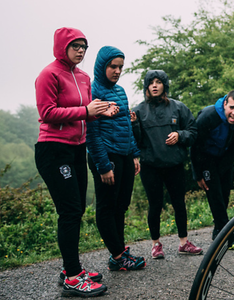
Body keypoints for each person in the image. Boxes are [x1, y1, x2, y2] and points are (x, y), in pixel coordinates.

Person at [35, 27, 114, 297]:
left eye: (84, 46)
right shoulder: (49, 74)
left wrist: (102, 111)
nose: (81, 50)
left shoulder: (82, 77)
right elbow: (47, 113)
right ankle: (71, 277)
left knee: (78, 208)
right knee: (69, 211)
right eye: (76, 46)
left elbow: (87, 112)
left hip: (77, 149)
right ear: (62, 46)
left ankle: (72, 268)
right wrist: (86, 111)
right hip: (53, 149)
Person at [86, 46, 146, 272]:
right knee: (107, 206)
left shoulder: (121, 91)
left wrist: (134, 154)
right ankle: (119, 255)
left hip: (125, 155)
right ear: (102, 66)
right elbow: (91, 134)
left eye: (121, 66)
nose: (118, 71)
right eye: (113, 66)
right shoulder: (92, 92)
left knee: (121, 206)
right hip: (106, 156)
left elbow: (126, 126)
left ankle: (118, 254)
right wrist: (103, 165)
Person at [131, 70, 202, 259]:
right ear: (146, 87)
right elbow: (134, 141)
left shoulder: (178, 108)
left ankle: (184, 242)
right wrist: (134, 125)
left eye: (158, 82)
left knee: (179, 203)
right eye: (151, 82)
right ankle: (155, 244)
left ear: (164, 85)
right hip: (150, 167)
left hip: (174, 165)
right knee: (155, 205)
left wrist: (180, 135)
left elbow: (193, 132)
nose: (154, 85)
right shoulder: (138, 111)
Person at [191, 90, 234, 244]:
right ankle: (227, 236)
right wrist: (197, 175)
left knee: (224, 194)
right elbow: (195, 147)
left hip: (225, 158)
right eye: (231, 107)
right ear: (225, 104)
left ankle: (219, 230)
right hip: (206, 158)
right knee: (215, 195)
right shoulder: (208, 116)